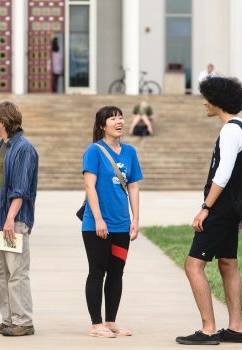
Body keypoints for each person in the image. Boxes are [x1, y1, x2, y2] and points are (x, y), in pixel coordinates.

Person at [176, 77, 242, 345]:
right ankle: (236, 328)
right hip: (233, 210)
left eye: (207, 97)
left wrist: (205, 208)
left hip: (220, 209)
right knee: (228, 264)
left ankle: (208, 330)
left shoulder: (230, 130)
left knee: (193, 265)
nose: (204, 103)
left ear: (218, 100)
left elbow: (224, 174)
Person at [81, 106, 142, 338]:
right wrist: (98, 218)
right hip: (96, 225)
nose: (119, 121)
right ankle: (96, 325)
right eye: (112, 118)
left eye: (120, 117)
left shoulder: (130, 152)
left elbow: (134, 186)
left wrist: (135, 218)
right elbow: (90, 186)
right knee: (97, 271)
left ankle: (111, 321)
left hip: (121, 225)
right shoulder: (94, 151)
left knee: (117, 272)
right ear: (102, 126)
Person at [0, 101, 38, 336]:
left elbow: (21, 189)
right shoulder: (3, 145)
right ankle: (8, 319)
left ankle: (23, 321)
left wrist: (10, 219)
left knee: (16, 271)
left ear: (3, 122)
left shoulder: (23, 148)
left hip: (12, 218)